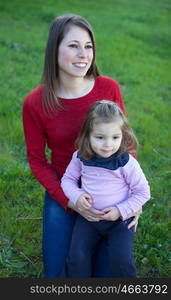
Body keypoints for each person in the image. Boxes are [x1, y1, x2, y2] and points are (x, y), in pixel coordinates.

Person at [22, 13, 142, 278]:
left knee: (107, 273)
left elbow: (126, 146)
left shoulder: (107, 87)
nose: (83, 54)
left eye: (88, 46)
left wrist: (133, 201)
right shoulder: (35, 102)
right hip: (66, 188)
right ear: (55, 49)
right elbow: (37, 160)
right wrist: (69, 200)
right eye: (73, 46)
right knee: (59, 275)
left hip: (111, 189)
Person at [61, 100, 150, 277]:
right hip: (89, 218)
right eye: (100, 137)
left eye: (115, 137)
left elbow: (143, 191)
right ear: (88, 135)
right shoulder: (80, 157)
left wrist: (120, 210)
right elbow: (68, 180)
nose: (108, 144)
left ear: (123, 136)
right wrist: (77, 196)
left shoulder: (126, 163)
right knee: (77, 257)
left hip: (120, 221)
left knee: (121, 260)